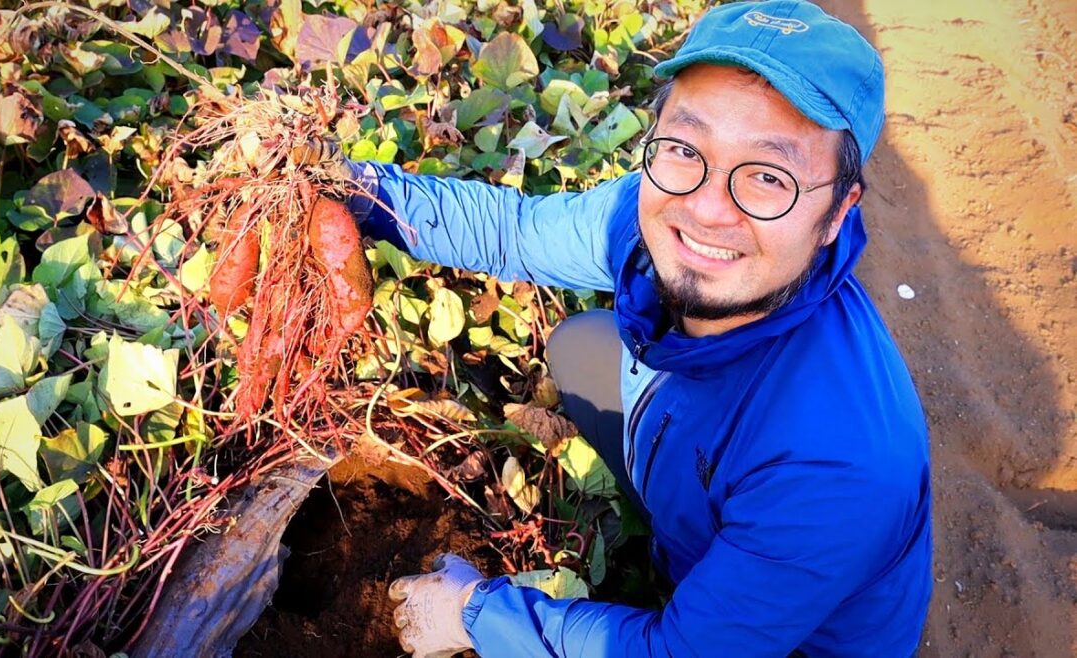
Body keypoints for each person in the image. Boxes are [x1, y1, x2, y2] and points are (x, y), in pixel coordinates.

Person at [340, 1, 932, 655]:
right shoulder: (645, 209)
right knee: (583, 347)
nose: (706, 209)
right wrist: (357, 193)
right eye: (686, 146)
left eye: (768, 176)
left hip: (787, 641)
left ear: (837, 213)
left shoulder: (838, 466)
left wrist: (471, 612)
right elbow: (513, 230)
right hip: (700, 473)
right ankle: (680, 535)